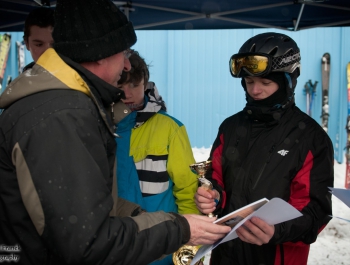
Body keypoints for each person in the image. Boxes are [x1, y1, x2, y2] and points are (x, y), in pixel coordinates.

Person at [0, 0, 231, 264]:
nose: (127, 66)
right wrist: (181, 229)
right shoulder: (63, 114)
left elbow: (84, 206)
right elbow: (86, 242)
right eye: (124, 52)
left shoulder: (66, 106)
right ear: (100, 53)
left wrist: (142, 216)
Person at [194, 32, 334, 265]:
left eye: (265, 83)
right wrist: (212, 197)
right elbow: (215, 177)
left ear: (288, 82)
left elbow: (316, 213)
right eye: (249, 82)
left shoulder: (311, 138)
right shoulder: (230, 127)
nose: (255, 91)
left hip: (276, 256)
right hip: (226, 255)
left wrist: (276, 230)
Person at [116, 51, 200, 264]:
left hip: (161, 243)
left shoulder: (170, 127)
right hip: (114, 243)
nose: (127, 93)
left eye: (134, 85)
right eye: (120, 86)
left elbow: (187, 186)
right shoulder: (98, 127)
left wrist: (190, 239)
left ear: (145, 83)